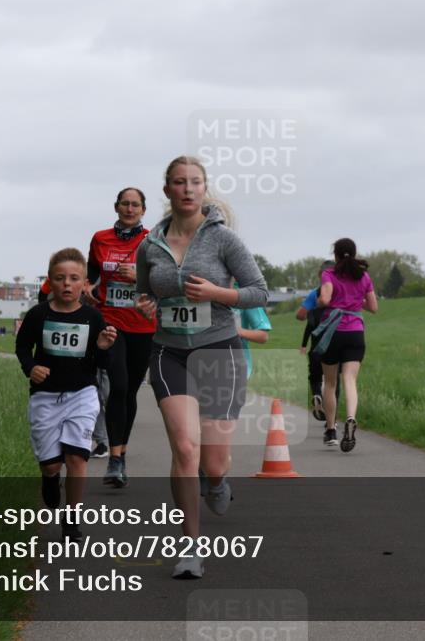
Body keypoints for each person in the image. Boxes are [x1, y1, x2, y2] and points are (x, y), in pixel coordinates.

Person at [135, 156, 268, 579]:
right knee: (185, 449)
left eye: (195, 182)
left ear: (204, 189)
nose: (188, 189)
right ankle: (190, 547)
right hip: (168, 352)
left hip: (218, 351)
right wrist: (147, 304)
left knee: (213, 462)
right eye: (179, 182)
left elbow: (258, 293)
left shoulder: (224, 240)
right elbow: (145, 291)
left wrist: (217, 293)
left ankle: (217, 483)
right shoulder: (149, 245)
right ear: (167, 190)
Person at [15, 248, 117, 541]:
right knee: (52, 464)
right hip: (45, 397)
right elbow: (22, 348)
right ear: (50, 281)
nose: (67, 285)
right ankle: (49, 479)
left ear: (85, 283)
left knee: (76, 459)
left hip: (82, 395)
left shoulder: (92, 317)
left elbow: (101, 365)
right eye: (60, 279)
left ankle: (71, 520)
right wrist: (31, 367)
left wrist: (103, 347)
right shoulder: (38, 315)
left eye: (74, 279)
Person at [85, 187, 156, 488]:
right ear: (116, 207)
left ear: (143, 210)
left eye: (135, 205)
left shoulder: (153, 240)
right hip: (110, 320)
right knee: (119, 384)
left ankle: (121, 454)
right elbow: (91, 274)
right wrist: (88, 289)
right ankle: (114, 460)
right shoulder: (100, 238)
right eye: (125, 204)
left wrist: (138, 278)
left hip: (142, 325)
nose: (129, 209)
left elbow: (164, 280)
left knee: (129, 393)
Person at [314, 238, 378, 452]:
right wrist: (354, 300)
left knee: (330, 383)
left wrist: (324, 302)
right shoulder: (363, 276)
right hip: (355, 333)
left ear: (335, 255)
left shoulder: (329, 274)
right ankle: (351, 418)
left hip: (333, 332)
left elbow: (325, 298)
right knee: (350, 379)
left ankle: (331, 428)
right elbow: (373, 307)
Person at [296, 261, 340, 422]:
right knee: (334, 381)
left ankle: (316, 395)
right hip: (336, 343)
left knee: (315, 377)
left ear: (319, 275)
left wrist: (313, 310)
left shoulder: (314, 294)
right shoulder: (341, 293)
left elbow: (301, 316)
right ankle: (332, 422)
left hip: (316, 345)